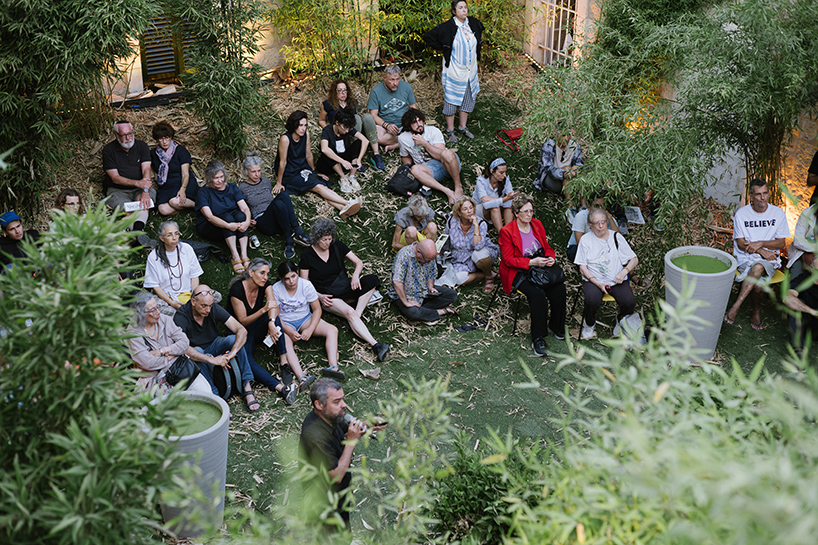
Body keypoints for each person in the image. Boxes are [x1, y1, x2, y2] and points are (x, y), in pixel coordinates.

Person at [299, 218, 390, 362]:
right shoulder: (307, 255)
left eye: (329, 239)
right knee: (349, 312)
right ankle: (376, 345)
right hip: (328, 296)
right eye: (324, 240)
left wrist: (355, 276)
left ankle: (356, 317)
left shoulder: (337, 246)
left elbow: (358, 262)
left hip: (346, 287)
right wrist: (320, 297)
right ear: (316, 238)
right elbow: (304, 283)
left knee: (372, 280)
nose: (327, 242)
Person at [299, 378, 386, 528]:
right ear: (319, 404)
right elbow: (336, 476)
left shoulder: (330, 415)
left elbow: (345, 430)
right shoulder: (315, 436)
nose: (344, 405)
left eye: (343, 399)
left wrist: (367, 424)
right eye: (337, 401)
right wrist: (352, 441)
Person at [229, 258, 313, 404]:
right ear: (251, 272)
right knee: (248, 360)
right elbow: (243, 320)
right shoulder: (236, 290)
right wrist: (264, 310)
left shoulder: (265, 285)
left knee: (277, 321)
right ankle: (279, 387)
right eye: (262, 273)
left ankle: (284, 363)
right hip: (241, 329)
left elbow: (273, 305)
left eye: (267, 274)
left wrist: (272, 323)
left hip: (258, 325)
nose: (265, 277)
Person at [173, 284, 262, 412]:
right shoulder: (181, 316)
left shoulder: (213, 308)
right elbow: (183, 348)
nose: (208, 310)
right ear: (193, 302)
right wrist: (211, 360)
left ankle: (247, 387)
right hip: (197, 352)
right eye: (204, 306)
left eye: (210, 305)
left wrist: (233, 352)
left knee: (233, 339)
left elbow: (241, 330)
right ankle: (215, 396)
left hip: (215, 344)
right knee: (196, 351)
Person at [499, 194, 566, 356]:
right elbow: (508, 260)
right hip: (519, 271)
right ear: (516, 213)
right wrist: (531, 263)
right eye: (525, 211)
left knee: (559, 289)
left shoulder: (536, 224)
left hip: (540, 268)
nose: (529, 214)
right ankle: (538, 337)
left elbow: (547, 246)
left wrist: (551, 257)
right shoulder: (507, 231)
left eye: (531, 211)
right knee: (537, 294)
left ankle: (556, 326)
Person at [724, 178, 790, 331]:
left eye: (765, 193)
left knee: (759, 266)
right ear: (751, 196)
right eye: (758, 194)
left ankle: (736, 306)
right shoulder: (742, 214)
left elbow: (781, 243)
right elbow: (740, 243)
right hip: (745, 257)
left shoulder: (777, 213)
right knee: (759, 286)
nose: (762, 197)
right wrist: (761, 250)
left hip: (770, 260)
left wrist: (760, 243)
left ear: (768, 194)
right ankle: (756, 310)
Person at [275, 110, 361, 219]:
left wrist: (314, 173)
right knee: (318, 186)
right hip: (290, 173)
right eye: (300, 125)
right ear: (294, 125)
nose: (303, 128)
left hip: (302, 168)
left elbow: (309, 155)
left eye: (305, 125)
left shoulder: (306, 134)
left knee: (319, 185)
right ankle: (347, 203)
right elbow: (283, 162)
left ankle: (341, 208)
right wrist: (279, 182)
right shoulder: (285, 139)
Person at [422, 0, 484, 143]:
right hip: (454, 70)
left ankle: (462, 127)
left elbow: (480, 34)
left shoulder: (473, 23)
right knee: (451, 99)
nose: (464, 10)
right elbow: (428, 37)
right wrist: (444, 48)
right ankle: (450, 130)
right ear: (454, 11)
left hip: (470, 70)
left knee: (468, 97)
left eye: (465, 7)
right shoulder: (447, 27)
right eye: (460, 8)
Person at [126, 293, 212, 395]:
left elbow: (184, 343)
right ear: (140, 314)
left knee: (206, 393)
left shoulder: (164, 319)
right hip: (154, 379)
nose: (158, 312)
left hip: (181, 369)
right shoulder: (133, 332)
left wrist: (162, 351)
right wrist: (173, 355)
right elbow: (147, 363)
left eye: (157, 307)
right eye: (153, 310)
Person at [574, 208, 639, 341]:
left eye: (603, 222)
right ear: (590, 225)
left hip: (616, 279)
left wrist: (624, 272)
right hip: (593, 280)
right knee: (592, 300)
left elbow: (634, 259)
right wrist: (597, 283)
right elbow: (582, 267)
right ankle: (589, 324)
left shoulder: (616, 237)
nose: (601, 226)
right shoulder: (586, 240)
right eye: (596, 223)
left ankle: (620, 320)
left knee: (629, 302)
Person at [273, 261, 344, 381]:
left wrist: (310, 329)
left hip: (305, 318)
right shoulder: (276, 289)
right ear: (281, 279)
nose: (291, 281)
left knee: (332, 330)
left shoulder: (306, 285)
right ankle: (301, 377)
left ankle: (333, 366)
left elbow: (317, 310)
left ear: (297, 274)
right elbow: (276, 315)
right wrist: (288, 331)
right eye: (287, 279)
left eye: (294, 276)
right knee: (286, 344)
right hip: (285, 322)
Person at [239, 153, 311, 260]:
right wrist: (248, 219)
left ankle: (294, 235)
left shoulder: (266, 182)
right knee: (279, 200)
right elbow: (241, 206)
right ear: (246, 172)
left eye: (258, 171)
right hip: (264, 222)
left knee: (282, 196)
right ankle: (293, 237)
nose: (257, 174)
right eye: (253, 171)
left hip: (279, 217)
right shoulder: (242, 187)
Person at [101, 120, 156, 237]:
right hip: (118, 190)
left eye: (130, 134)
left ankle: (137, 233)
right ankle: (138, 234)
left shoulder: (142, 146)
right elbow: (115, 178)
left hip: (141, 188)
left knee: (143, 204)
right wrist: (138, 183)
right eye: (123, 135)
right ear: (115, 135)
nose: (128, 138)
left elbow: (146, 169)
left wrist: (145, 190)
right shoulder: (108, 150)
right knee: (128, 210)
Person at [196, 160, 252, 274]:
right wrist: (227, 225)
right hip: (213, 226)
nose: (220, 180)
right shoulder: (203, 192)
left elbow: (245, 208)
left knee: (241, 215)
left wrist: (247, 221)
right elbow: (210, 217)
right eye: (216, 178)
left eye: (222, 177)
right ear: (208, 177)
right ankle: (235, 256)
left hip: (234, 224)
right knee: (227, 217)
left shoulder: (232, 187)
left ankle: (244, 255)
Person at [398, 108, 463, 205]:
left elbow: (440, 155)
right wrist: (407, 169)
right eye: (414, 122)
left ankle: (458, 187)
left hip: (448, 164)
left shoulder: (433, 131)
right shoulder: (403, 138)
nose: (419, 124)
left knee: (447, 153)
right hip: (430, 169)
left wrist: (424, 143)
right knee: (415, 169)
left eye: (420, 120)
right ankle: (448, 192)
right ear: (408, 125)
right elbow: (405, 157)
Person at [389, 238, 458, 323]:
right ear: (419, 251)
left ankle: (422, 311)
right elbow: (397, 282)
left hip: (423, 290)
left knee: (452, 295)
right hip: (405, 294)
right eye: (427, 260)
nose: (429, 262)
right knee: (413, 313)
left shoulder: (429, 256)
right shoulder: (404, 255)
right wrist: (406, 302)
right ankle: (440, 311)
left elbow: (432, 273)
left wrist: (430, 287)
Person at [143, 221, 203, 315]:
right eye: (169, 235)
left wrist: (194, 297)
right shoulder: (154, 256)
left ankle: (190, 310)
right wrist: (172, 303)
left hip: (189, 295)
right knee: (155, 306)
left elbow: (194, 275)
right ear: (162, 238)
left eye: (176, 233)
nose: (174, 238)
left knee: (214, 296)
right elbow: (155, 286)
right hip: (166, 299)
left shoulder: (186, 249)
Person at [367, 65, 418, 171]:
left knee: (419, 129)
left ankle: (396, 144)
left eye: (397, 79)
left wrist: (413, 123)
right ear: (384, 77)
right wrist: (387, 125)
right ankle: (405, 140)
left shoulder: (406, 87)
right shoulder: (376, 91)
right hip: (385, 125)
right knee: (378, 137)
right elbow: (373, 115)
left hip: (404, 124)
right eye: (392, 80)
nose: (395, 83)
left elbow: (413, 108)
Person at [443, 196, 499, 293]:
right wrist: (439, 252)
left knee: (478, 254)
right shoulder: (452, 221)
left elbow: (478, 246)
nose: (469, 211)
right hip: (460, 259)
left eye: (471, 207)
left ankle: (489, 278)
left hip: (481, 253)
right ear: (459, 213)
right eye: (465, 209)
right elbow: (446, 239)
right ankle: (486, 273)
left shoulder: (481, 223)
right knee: (459, 279)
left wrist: (476, 225)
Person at [318, 79, 378, 161]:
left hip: (350, 131)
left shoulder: (352, 103)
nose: (343, 93)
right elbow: (321, 120)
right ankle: (354, 155)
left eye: (345, 90)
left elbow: (354, 122)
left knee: (362, 117)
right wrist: (329, 130)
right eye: (339, 90)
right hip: (338, 131)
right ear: (334, 92)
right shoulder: (327, 104)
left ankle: (375, 154)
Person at [150, 121, 198, 216]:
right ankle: (184, 207)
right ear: (157, 140)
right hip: (167, 186)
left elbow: (186, 174)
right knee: (163, 210)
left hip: (182, 182)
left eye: (167, 138)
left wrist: (182, 189)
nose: (164, 142)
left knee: (174, 202)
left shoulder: (180, 150)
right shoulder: (153, 153)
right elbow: (154, 172)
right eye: (161, 139)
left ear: (171, 137)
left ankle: (198, 206)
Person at [316, 109, 369, 194]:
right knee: (327, 150)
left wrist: (359, 159)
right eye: (344, 128)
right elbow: (324, 149)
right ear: (337, 123)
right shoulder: (327, 130)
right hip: (328, 165)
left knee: (358, 143)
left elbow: (365, 141)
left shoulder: (347, 129)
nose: (347, 131)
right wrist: (342, 161)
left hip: (345, 162)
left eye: (348, 128)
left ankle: (351, 176)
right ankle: (343, 178)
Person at [566, 192, 620, 262]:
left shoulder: (608, 218)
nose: (600, 209)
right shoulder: (581, 216)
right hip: (579, 247)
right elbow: (580, 242)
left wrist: (609, 218)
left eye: (602, 205)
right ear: (589, 207)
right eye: (597, 206)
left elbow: (619, 240)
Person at [534, 129, 583, 200]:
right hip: (552, 178)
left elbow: (579, 163)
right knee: (567, 169)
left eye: (568, 134)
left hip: (570, 178)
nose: (566, 138)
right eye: (563, 135)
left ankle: (582, 206)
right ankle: (570, 204)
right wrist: (563, 174)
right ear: (556, 136)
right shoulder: (549, 145)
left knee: (575, 169)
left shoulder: (575, 145)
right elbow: (548, 168)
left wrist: (576, 170)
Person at [472, 157, 518, 232]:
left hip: (495, 206)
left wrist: (512, 196)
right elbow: (484, 200)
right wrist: (504, 199)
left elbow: (510, 194)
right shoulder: (481, 181)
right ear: (492, 171)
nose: (504, 175)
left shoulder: (505, 180)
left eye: (505, 172)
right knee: (495, 207)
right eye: (501, 173)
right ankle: (502, 233)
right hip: (480, 208)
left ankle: (509, 231)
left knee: (509, 204)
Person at [783, 271, 818, 354]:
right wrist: (813, 312)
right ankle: (798, 351)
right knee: (795, 305)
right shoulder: (804, 278)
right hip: (804, 322)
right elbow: (788, 299)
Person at [787, 203, 817, 278]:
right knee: (796, 279)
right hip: (801, 252)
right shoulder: (807, 213)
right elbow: (798, 240)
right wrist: (811, 251)